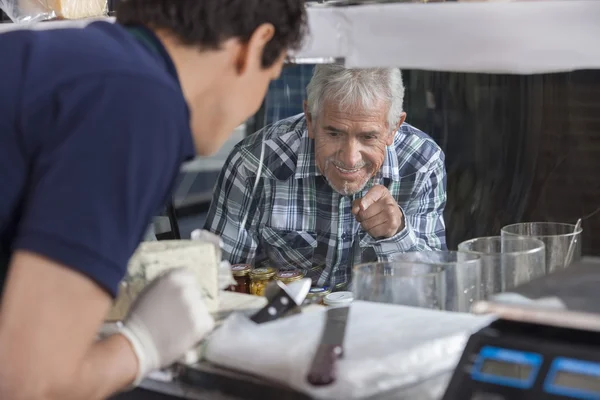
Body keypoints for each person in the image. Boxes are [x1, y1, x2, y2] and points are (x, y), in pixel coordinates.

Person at [0, 0, 307, 398]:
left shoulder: (61, 60)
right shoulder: (136, 103)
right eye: (273, 75)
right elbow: (28, 385)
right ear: (255, 44)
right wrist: (140, 346)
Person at [205, 64, 447, 290]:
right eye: (334, 133)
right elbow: (218, 282)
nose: (350, 159)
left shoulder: (422, 163)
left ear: (394, 128)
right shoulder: (254, 163)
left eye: (368, 137)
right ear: (310, 119)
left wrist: (397, 234)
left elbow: (432, 288)